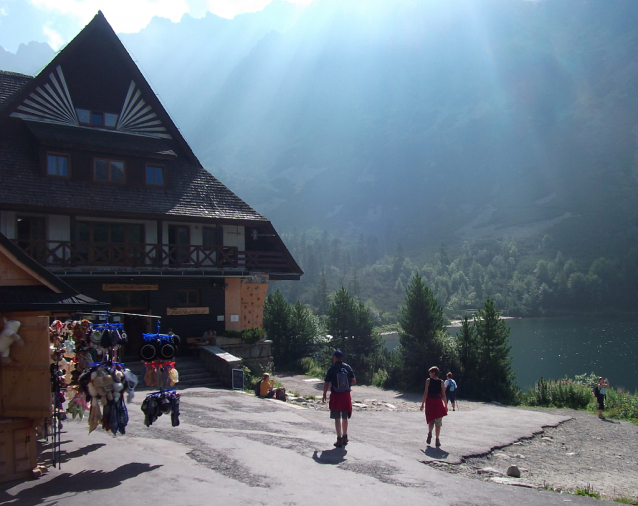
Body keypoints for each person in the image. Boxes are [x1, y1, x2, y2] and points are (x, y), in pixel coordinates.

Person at [322, 350, 356, 448]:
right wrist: (346, 383)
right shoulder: (347, 367)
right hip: (345, 395)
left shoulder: (332, 368)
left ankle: (339, 439)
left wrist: (324, 394)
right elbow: (354, 381)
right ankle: (345, 437)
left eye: (334, 357)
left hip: (336, 395)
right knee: (344, 417)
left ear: (336, 357)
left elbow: (326, 382)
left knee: (337, 418)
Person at [420, 366, 447, 447]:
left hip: (430, 401)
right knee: (438, 421)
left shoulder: (428, 381)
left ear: (433, 373)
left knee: (431, 419)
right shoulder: (441, 382)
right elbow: (443, 394)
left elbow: (426, 393)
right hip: (438, 402)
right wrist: (445, 405)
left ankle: (430, 432)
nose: (429, 374)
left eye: (430, 372)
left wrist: (422, 404)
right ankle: (437, 439)